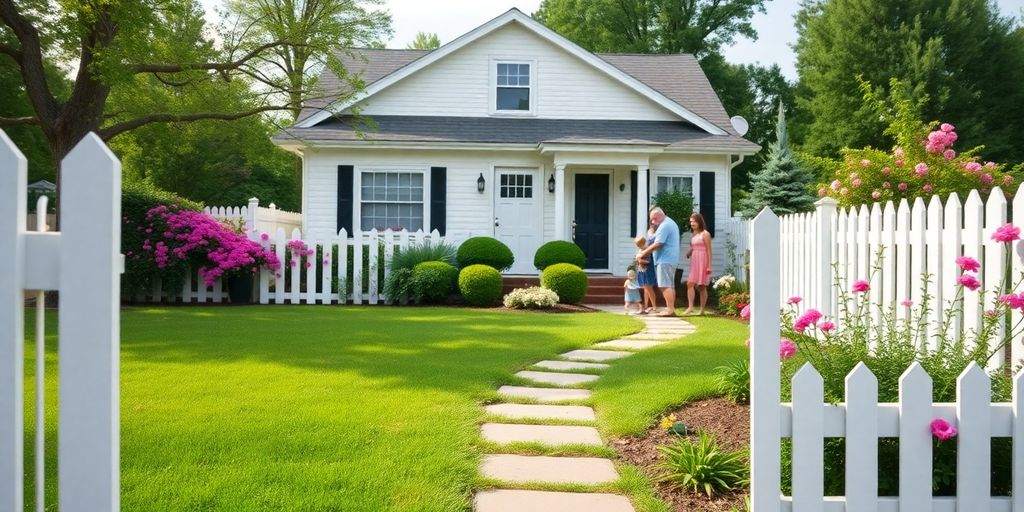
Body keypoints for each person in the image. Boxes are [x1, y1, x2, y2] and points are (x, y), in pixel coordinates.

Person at [636, 207, 680, 317]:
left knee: (664, 285)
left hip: (664, 260)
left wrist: (643, 253)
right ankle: (671, 309)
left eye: (654, 219)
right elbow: (654, 238)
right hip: (670, 259)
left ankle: (670, 310)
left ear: (659, 215)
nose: (652, 222)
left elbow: (658, 243)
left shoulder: (665, 225)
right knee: (670, 286)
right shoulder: (669, 223)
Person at [683, 213, 713, 315]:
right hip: (695, 260)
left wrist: (709, 266)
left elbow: (709, 250)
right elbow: (694, 246)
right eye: (691, 221)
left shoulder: (705, 234)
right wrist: (689, 252)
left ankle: (702, 310)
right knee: (690, 283)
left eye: (694, 221)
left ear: (699, 222)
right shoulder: (694, 233)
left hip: (703, 260)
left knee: (702, 286)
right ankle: (690, 307)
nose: (692, 223)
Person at [633, 226, 658, 314]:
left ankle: (654, 307)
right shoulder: (641, 249)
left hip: (647, 271)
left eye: (638, 245)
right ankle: (646, 306)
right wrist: (638, 259)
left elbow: (648, 261)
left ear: (642, 243)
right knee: (645, 289)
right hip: (642, 271)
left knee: (649, 289)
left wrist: (639, 260)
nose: (637, 246)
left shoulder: (647, 250)